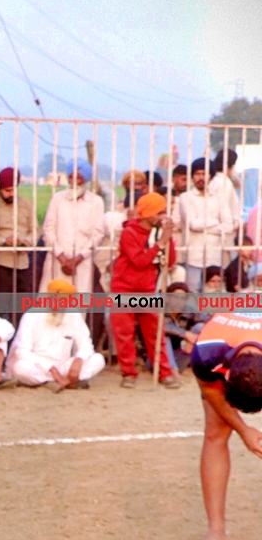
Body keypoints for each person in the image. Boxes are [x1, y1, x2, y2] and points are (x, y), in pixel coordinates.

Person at [190, 313, 262, 540]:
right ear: (227, 374)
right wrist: (244, 430)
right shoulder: (206, 352)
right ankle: (216, 532)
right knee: (215, 431)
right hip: (226, 340)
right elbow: (211, 391)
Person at [109, 191, 180, 388]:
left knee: (155, 334)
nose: (163, 216)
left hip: (148, 289)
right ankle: (128, 373)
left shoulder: (159, 232)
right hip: (124, 288)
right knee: (124, 334)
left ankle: (164, 373)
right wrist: (161, 242)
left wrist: (168, 240)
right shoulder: (129, 232)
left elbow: (170, 262)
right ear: (148, 214)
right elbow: (139, 261)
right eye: (159, 212)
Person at [7, 280, 106, 390]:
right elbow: (22, 351)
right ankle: (63, 382)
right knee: (19, 368)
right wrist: (51, 369)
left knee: (98, 359)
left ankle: (55, 382)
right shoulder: (32, 315)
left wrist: (78, 360)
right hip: (39, 366)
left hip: (63, 366)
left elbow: (86, 345)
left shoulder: (73, 315)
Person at [41, 158, 105, 295]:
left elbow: (98, 234)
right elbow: (48, 230)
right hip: (57, 261)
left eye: (78, 178)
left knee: (78, 303)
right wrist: (63, 259)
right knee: (51, 302)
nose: (74, 182)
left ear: (85, 180)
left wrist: (76, 260)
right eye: (71, 177)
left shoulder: (96, 202)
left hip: (82, 263)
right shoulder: (57, 199)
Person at [0, 167, 37, 307]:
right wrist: (3, 241)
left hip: (23, 265)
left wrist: (28, 241)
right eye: (7, 190)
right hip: (0, 265)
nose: (11, 194)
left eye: (14, 189)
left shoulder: (26, 205)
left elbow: (35, 230)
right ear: (0, 190)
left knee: (23, 309)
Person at [178, 157, 231, 293]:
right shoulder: (185, 198)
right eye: (197, 174)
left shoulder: (219, 198)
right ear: (192, 177)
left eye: (204, 173)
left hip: (215, 256)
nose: (201, 177)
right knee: (193, 293)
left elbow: (228, 225)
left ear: (211, 176)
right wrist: (215, 222)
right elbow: (193, 224)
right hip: (193, 256)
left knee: (214, 294)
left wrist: (204, 225)